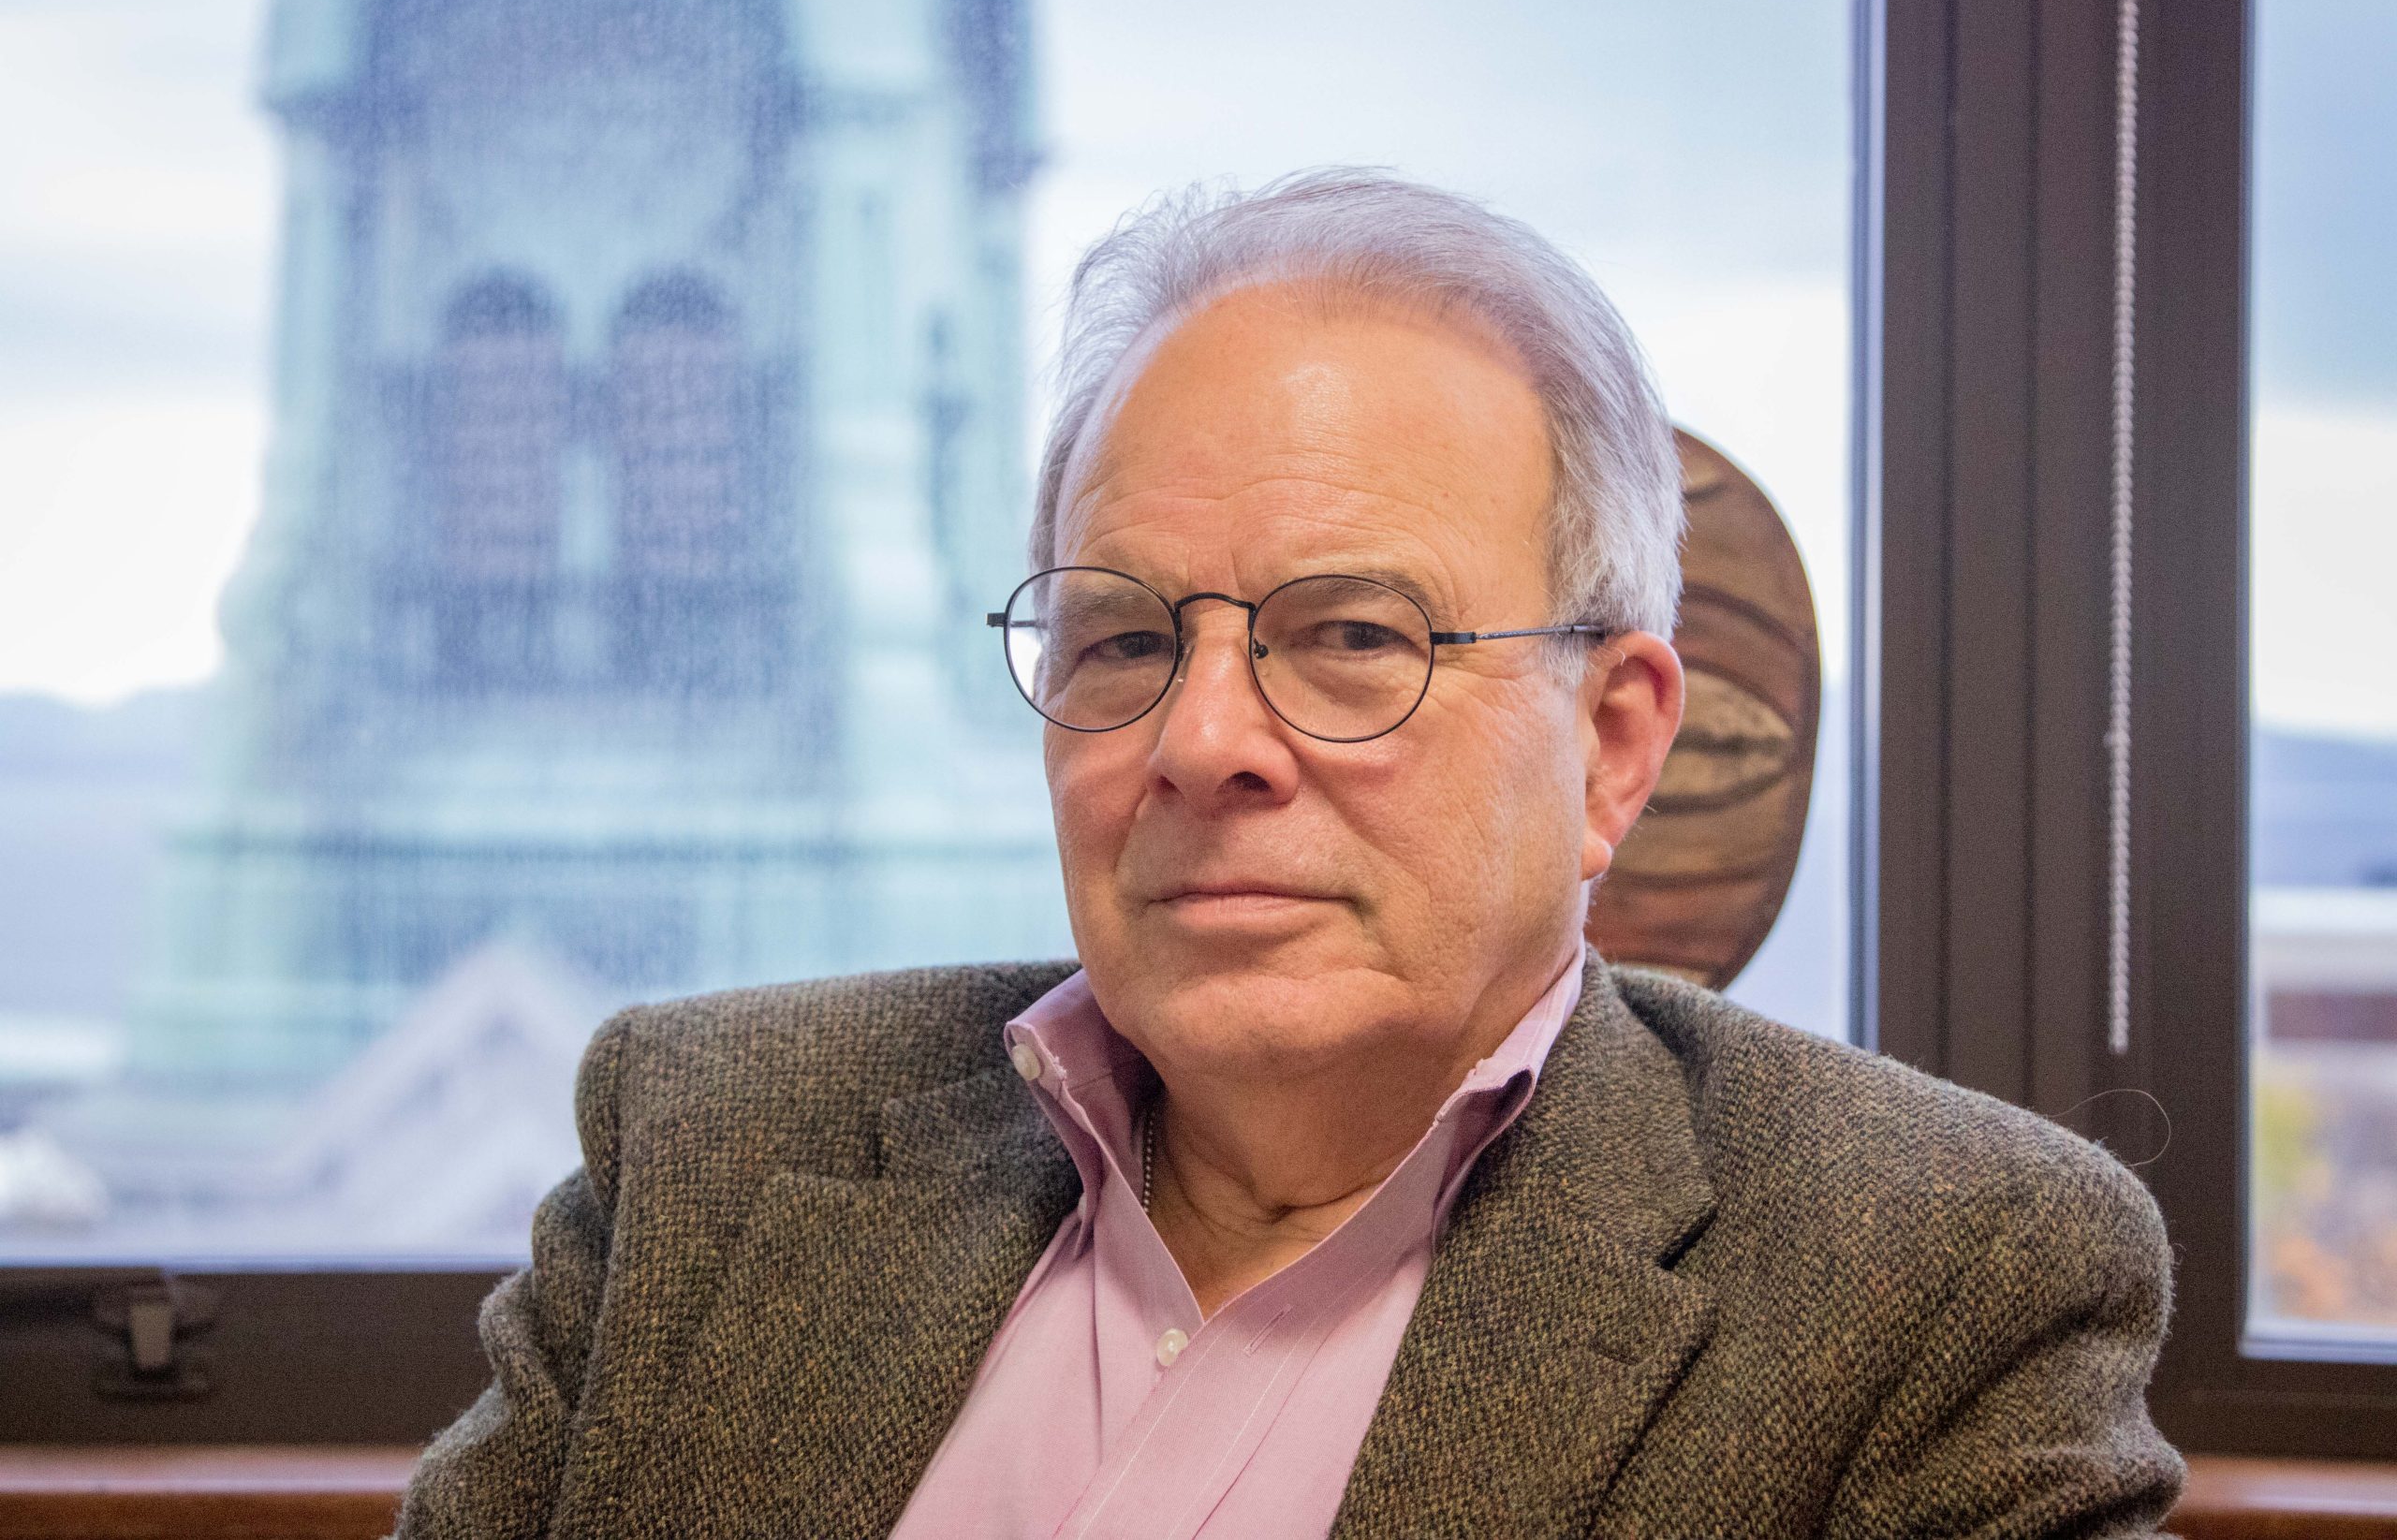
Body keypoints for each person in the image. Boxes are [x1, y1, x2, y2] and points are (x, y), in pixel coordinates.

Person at [392, 170, 2184, 1539]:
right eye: (1119, 642)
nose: (1202, 744)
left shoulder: (1935, 1290)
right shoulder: (703, 1152)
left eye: (1352, 636)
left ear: (1615, 747)